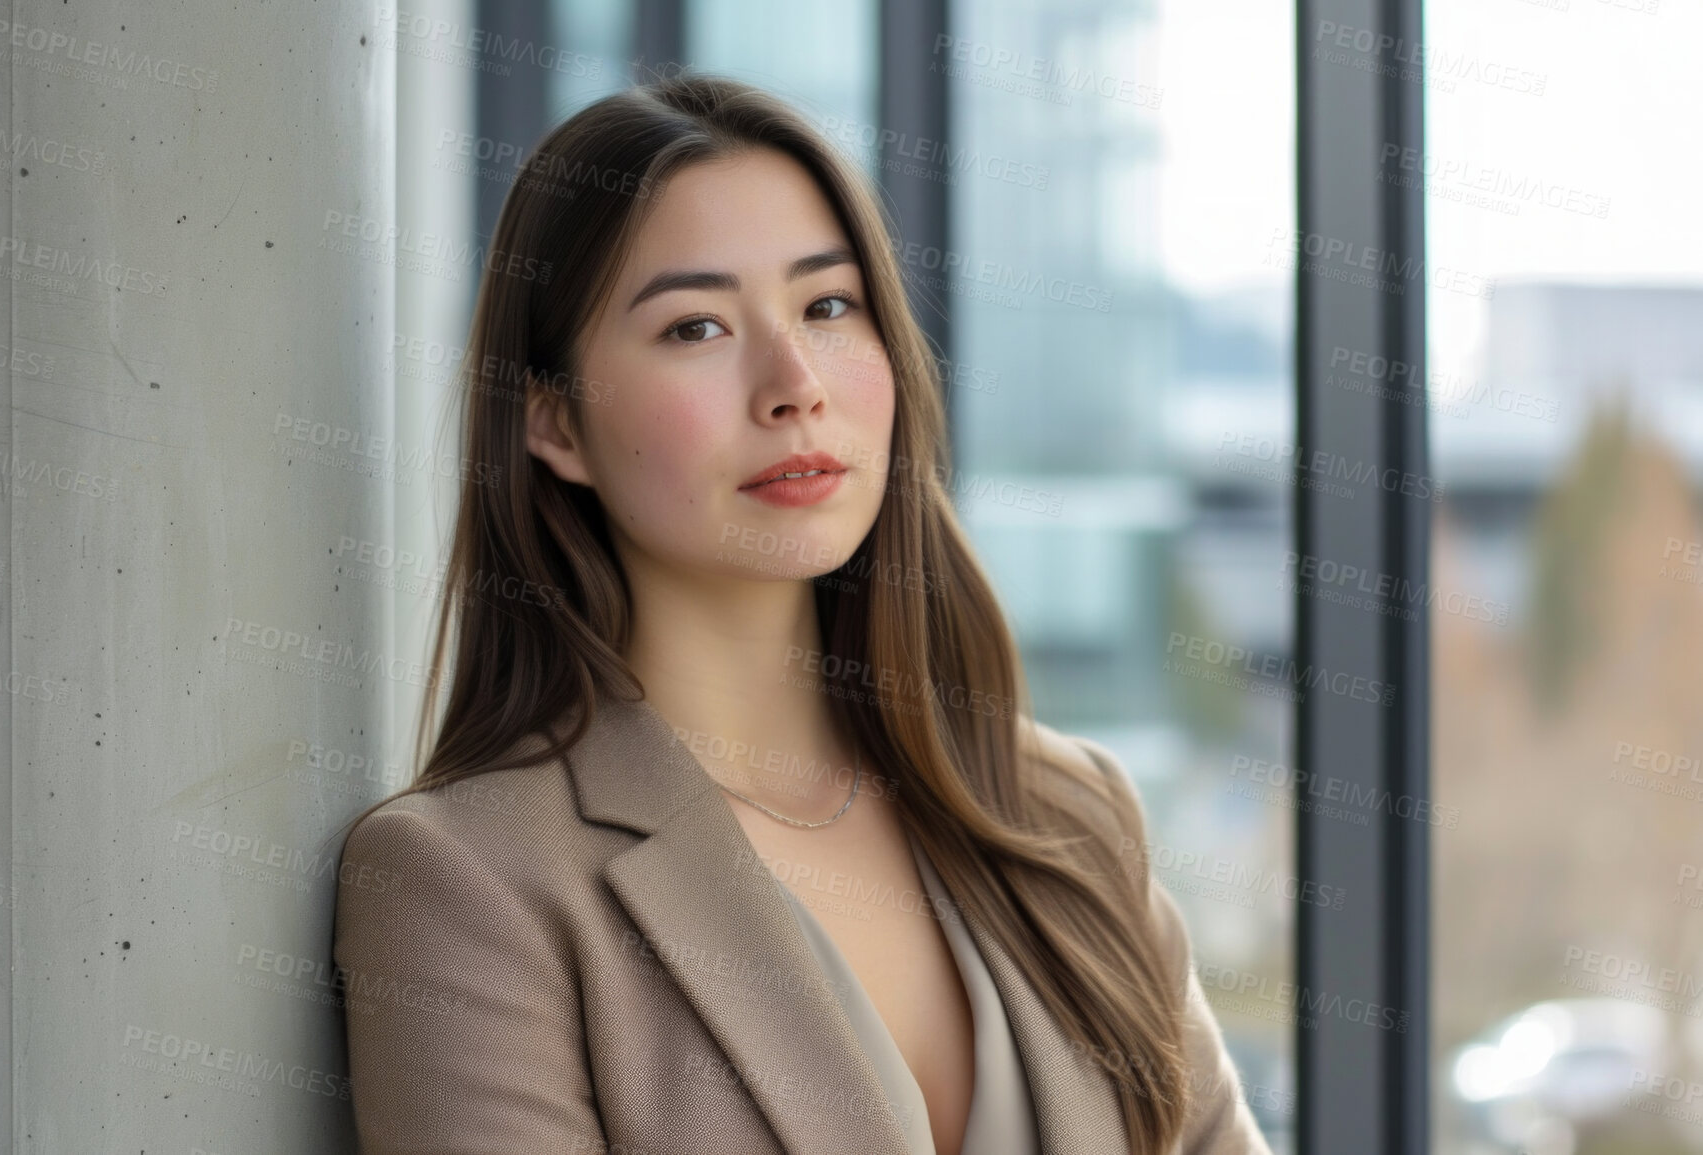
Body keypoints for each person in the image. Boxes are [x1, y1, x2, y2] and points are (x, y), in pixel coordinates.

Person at [330, 71, 1272, 1155]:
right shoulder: (467, 883)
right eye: (694, 328)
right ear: (555, 424)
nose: (793, 384)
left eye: (828, 307)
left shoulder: (1068, 815)